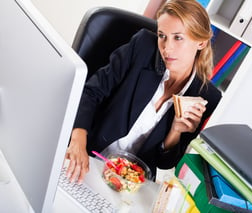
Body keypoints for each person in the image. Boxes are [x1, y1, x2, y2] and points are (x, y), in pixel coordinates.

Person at [65, 0, 222, 184]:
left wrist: (175, 131)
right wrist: (77, 140)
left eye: (178, 37)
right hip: (90, 156)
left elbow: (165, 165)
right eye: (162, 35)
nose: (166, 47)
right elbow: (92, 92)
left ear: (201, 42)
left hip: (133, 182)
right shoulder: (143, 47)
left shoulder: (206, 98)